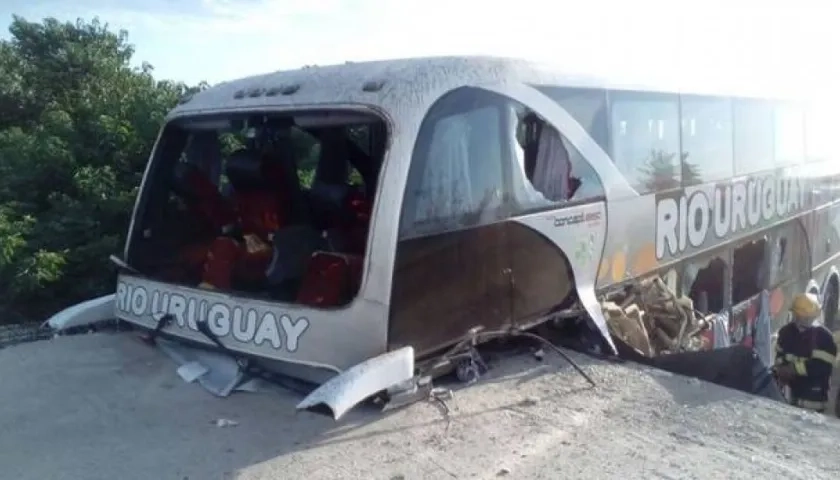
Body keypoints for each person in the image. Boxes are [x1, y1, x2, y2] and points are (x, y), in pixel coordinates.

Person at [773, 293, 837, 413]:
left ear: (814, 316)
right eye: (797, 315)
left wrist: (793, 369)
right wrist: (780, 369)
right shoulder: (786, 332)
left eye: (804, 317)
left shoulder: (824, 338)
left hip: (813, 402)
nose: (799, 319)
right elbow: (779, 356)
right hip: (788, 398)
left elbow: (821, 367)